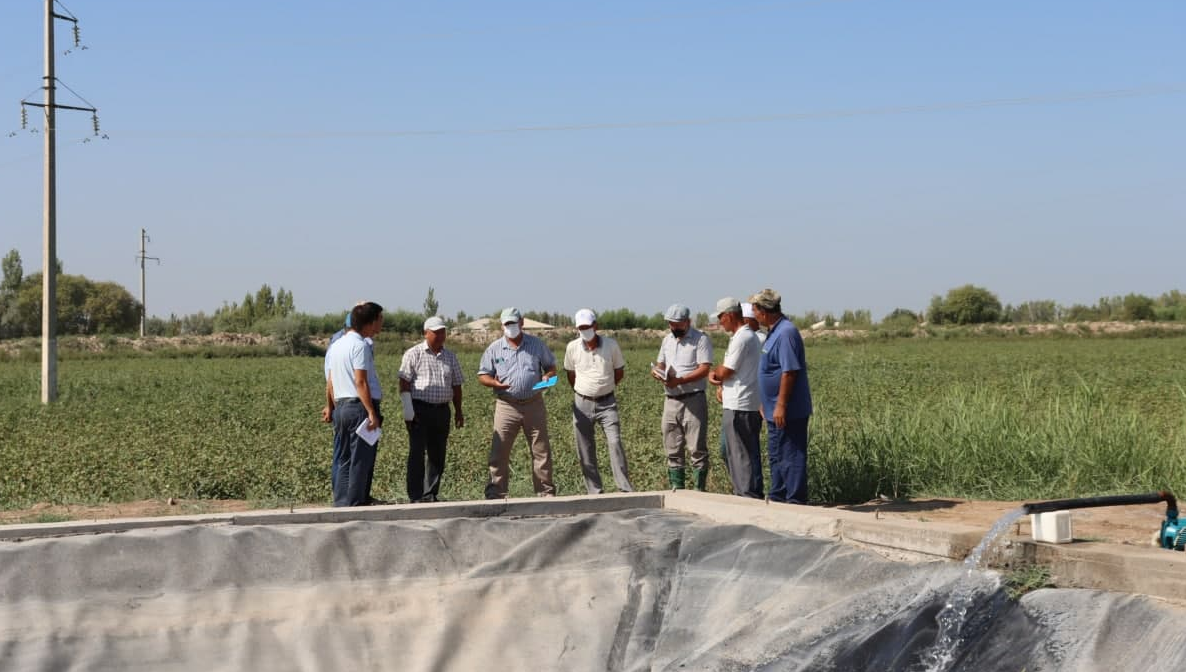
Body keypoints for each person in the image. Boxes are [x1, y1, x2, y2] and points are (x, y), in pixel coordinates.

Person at [477, 307, 558, 498]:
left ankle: (545, 491)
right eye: (507, 324)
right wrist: (494, 383)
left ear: (521, 323)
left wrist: (547, 376)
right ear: (502, 326)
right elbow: (483, 375)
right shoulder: (494, 348)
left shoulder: (536, 345)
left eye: (513, 323)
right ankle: (496, 492)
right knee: (499, 450)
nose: (511, 327)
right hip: (507, 405)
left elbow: (551, 367)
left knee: (541, 450)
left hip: (534, 403)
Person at [749, 288, 813, 504]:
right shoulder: (774, 332)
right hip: (773, 409)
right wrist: (766, 403)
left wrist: (781, 405)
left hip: (788, 411)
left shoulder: (786, 333)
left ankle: (795, 501)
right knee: (777, 454)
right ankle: (778, 498)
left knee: (791, 455)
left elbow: (790, 371)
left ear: (763, 311)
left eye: (754, 310)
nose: (753, 315)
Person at [563, 308, 633, 494]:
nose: (584, 330)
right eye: (581, 328)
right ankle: (595, 491)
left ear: (595, 326)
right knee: (584, 448)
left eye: (587, 326)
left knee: (615, 442)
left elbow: (619, 372)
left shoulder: (611, 345)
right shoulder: (572, 347)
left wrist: (605, 388)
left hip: (607, 403)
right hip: (582, 402)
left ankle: (625, 489)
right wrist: (583, 390)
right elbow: (571, 374)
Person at [324, 301, 385, 507]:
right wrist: (371, 412)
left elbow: (330, 381)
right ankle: (356, 505)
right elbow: (360, 382)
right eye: (380, 319)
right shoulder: (360, 346)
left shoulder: (336, 345)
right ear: (371, 322)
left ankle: (342, 504)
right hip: (358, 408)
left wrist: (332, 406)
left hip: (341, 406)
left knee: (343, 459)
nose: (381, 323)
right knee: (360, 459)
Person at [398, 315, 464, 503]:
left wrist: (458, 411)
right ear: (426, 333)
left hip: (442, 411)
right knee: (417, 453)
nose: (440, 336)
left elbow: (456, 385)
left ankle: (430, 493)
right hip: (419, 410)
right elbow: (404, 383)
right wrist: (408, 411)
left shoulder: (450, 357)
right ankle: (415, 495)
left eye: (443, 332)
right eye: (436, 332)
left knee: (437, 454)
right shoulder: (414, 353)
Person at [651, 303, 713, 490]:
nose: (674, 327)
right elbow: (661, 364)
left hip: (693, 399)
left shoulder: (700, 339)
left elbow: (704, 369)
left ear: (688, 322)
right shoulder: (667, 340)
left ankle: (699, 492)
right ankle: (677, 491)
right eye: (671, 324)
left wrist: (680, 380)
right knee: (672, 448)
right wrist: (657, 372)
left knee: (697, 449)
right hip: (671, 400)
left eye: (678, 324)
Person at [708, 297, 764, 499]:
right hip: (744, 403)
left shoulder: (742, 338)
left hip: (740, 405)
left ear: (730, 315)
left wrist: (714, 374)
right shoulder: (747, 336)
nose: (720, 322)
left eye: (721, 317)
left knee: (741, 455)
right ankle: (748, 494)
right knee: (744, 454)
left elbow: (726, 370)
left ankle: (747, 497)